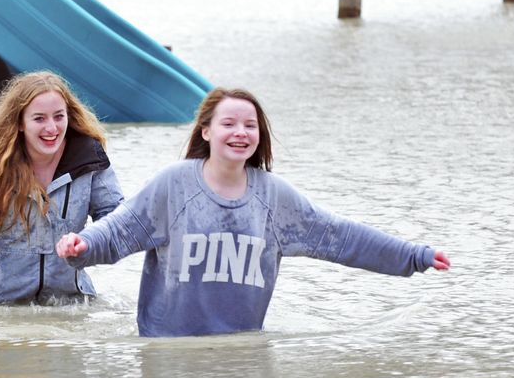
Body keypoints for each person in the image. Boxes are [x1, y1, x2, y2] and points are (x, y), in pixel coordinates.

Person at [56, 87, 451, 337]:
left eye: (250, 125)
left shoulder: (273, 198)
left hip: (240, 348)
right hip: (168, 349)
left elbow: (341, 238)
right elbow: (121, 231)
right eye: (229, 123)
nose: (240, 132)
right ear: (207, 131)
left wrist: (413, 256)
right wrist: (82, 245)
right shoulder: (174, 185)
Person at [0, 71, 124, 304]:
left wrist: (89, 241)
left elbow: (116, 219)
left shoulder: (90, 160)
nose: (52, 128)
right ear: (19, 123)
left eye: (59, 116)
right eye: (39, 119)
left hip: (71, 304)